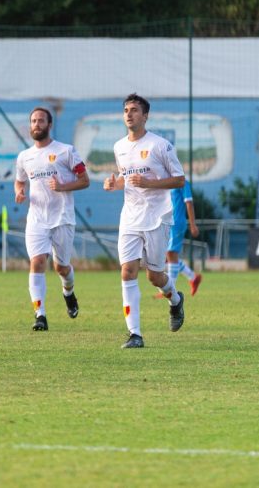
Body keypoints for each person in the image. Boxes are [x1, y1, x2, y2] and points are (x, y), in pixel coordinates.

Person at [103, 93, 187, 349]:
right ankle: (135, 334)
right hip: (130, 217)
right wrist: (114, 184)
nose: (129, 114)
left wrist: (150, 183)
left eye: (134, 110)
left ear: (145, 116)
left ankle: (175, 300)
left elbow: (179, 180)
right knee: (127, 271)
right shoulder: (119, 147)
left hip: (157, 217)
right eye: (126, 110)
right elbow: (126, 179)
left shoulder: (161, 145)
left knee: (154, 276)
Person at [14, 107, 89, 332]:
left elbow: (85, 180)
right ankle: (40, 315)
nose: (36, 124)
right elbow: (19, 180)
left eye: (40, 121)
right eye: (33, 121)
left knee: (61, 267)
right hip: (37, 218)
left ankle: (68, 292)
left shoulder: (66, 151)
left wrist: (63, 186)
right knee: (37, 262)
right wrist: (19, 191)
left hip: (62, 218)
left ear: (49, 124)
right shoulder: (24, 157)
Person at [154, 181, 203, 299]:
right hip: (167, 223)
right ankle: (193, 277)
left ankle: (169, 290)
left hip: (177, 223)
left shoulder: (183, 183)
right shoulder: (168, 182)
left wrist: (193, 224)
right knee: (170, 256)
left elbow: (189, 203)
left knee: (171, 253)